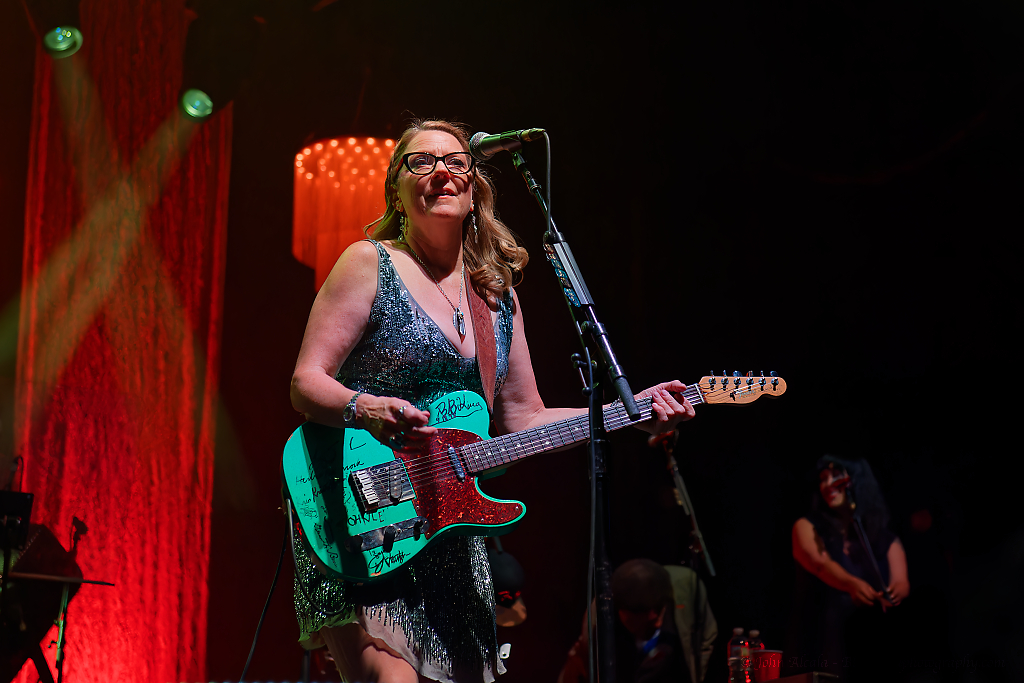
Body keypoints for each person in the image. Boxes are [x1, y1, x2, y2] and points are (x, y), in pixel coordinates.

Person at [289, 119, 697, 683]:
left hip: (451, 529)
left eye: (456, 161)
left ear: (476, 185)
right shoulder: (368, 263)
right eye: (420, 162)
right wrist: (370, 409)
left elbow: (525, 418)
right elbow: (306, 381)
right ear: (396, 191)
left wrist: (631, 411)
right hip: (360, 510)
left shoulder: (495, 294)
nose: (441, 173)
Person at [789, 455, 910, 679]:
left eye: (836, 477)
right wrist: (851, 584)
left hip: (869, 647)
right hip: (822, 644)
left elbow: (901, 582)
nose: (827, 485)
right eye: (823, 479)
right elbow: (819, 564)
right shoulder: (806, 527)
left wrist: (893, 593)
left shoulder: (884, 538)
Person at [557, 559, 717, 683]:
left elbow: (707, 638)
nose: (658, 623)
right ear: (622, 612)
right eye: (646, 619)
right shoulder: (597, 623)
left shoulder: (686, 586)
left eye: (660, 611)